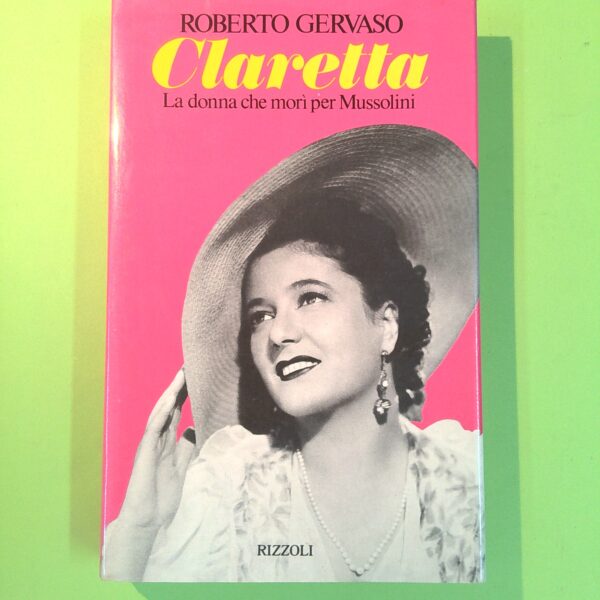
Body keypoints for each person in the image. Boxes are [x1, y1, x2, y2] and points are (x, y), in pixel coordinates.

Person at [102, 125, 484, 582]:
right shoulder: (227, 492)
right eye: (260, 316)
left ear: (386, 325)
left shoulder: (470, 479)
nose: (278, 333)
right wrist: (143, 528)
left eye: (310, 297)